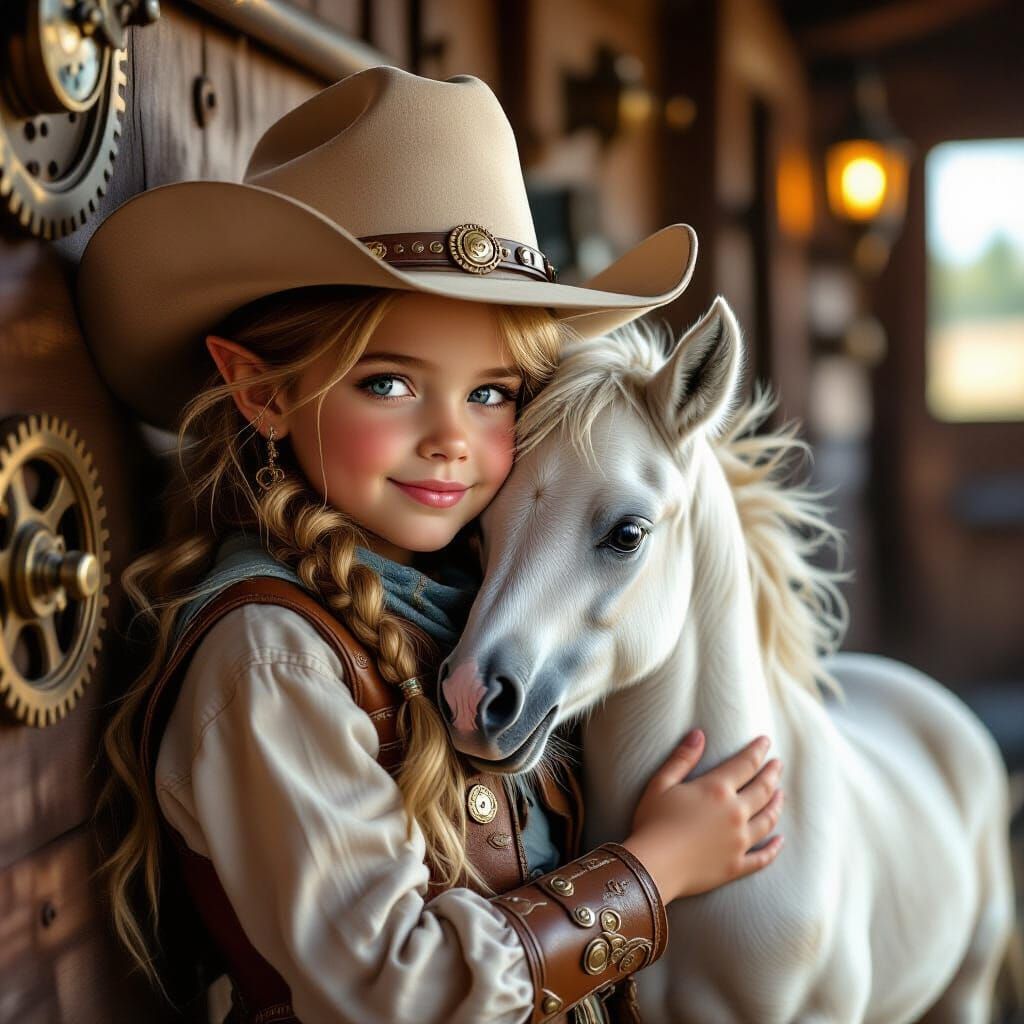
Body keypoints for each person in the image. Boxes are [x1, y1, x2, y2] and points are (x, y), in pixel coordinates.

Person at [79, 66, 785, 1024]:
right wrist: (652, 870)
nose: (454, 436)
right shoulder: (272, 663)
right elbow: (395, 990)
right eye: (391, 383)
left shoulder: (460, 596)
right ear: (263, 392)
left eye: (492, 393)